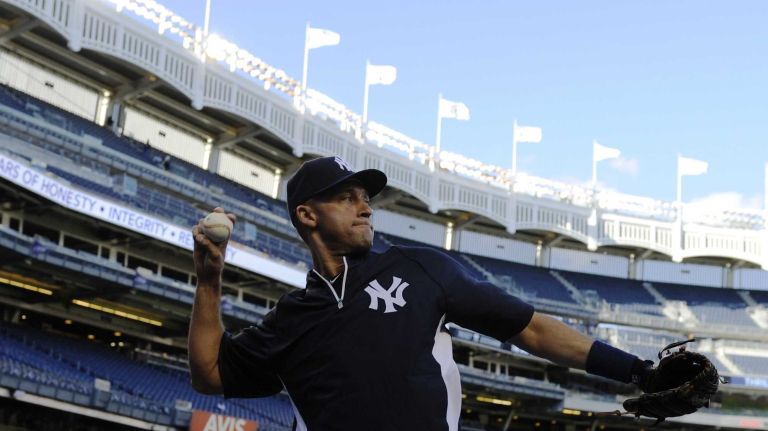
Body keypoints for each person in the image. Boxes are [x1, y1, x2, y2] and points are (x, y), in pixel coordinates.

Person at [188, 156, 652, 431]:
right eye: (347, 198)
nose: (366, 207)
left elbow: (530, 329)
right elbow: (210, 374)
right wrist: (209, 281)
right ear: (308, 216)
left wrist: (637, 370)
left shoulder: (420, 269)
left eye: (365, 198)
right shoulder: (292, 318)